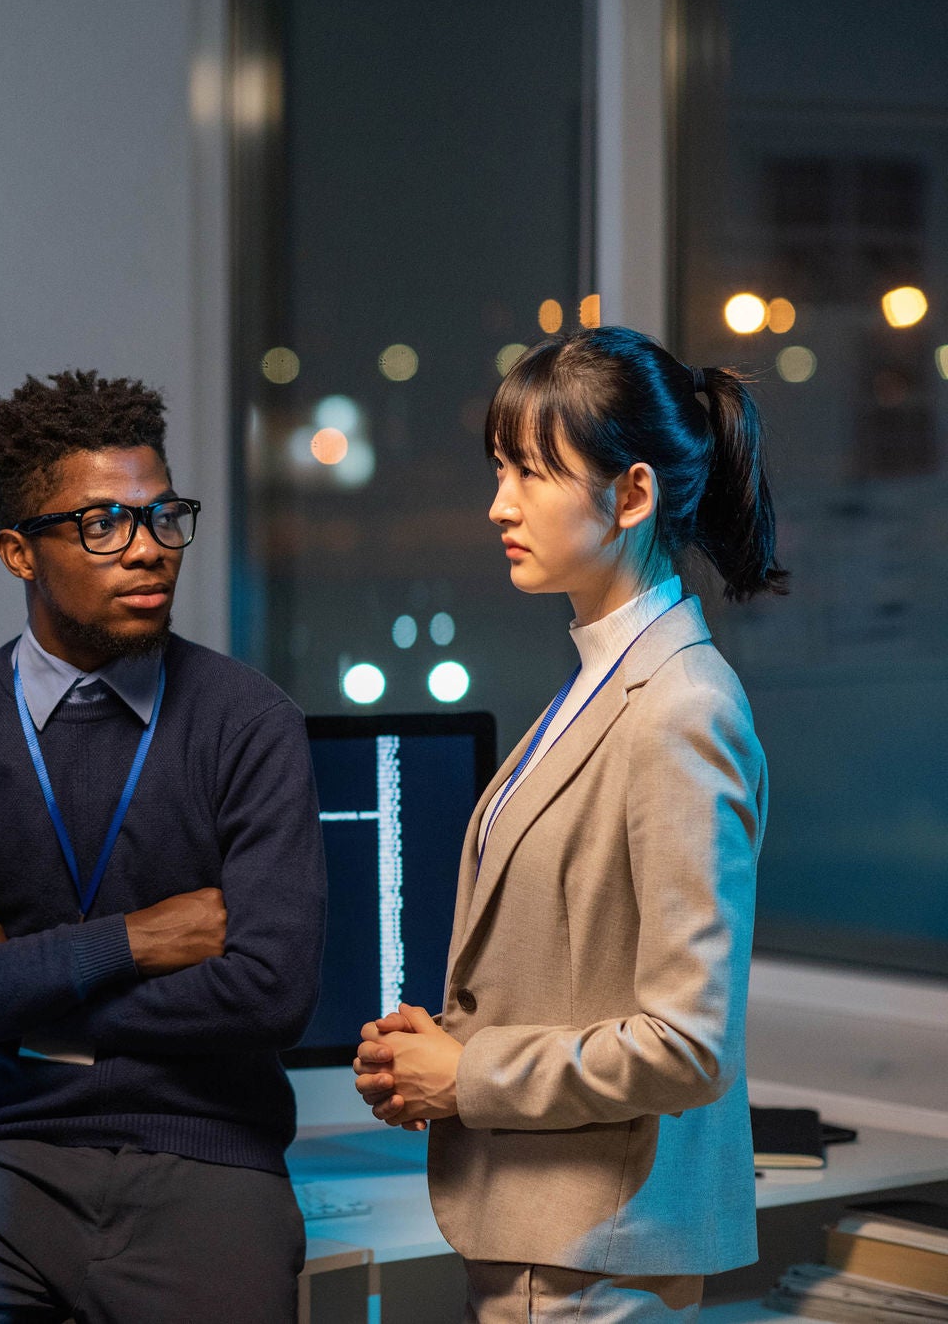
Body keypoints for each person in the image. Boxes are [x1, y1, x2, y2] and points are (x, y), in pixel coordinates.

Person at [0, 370, 326, 1324]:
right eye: (103, 525)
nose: (149, 552)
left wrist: (2, 974)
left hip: (207, 1152)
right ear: (19, 550)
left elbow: (272, 992)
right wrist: (128, 940)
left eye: (163, 516)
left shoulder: (250, 723)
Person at [351, 326, 786, 1321]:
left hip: (593, 1250)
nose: (498, 505)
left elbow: (686, 1045)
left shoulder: (679, 708)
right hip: (553, 1235)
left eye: (532, 473)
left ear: (630, 495)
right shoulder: (600, 683)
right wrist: (439, 1050)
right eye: (498, 469)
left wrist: (466, 1075)